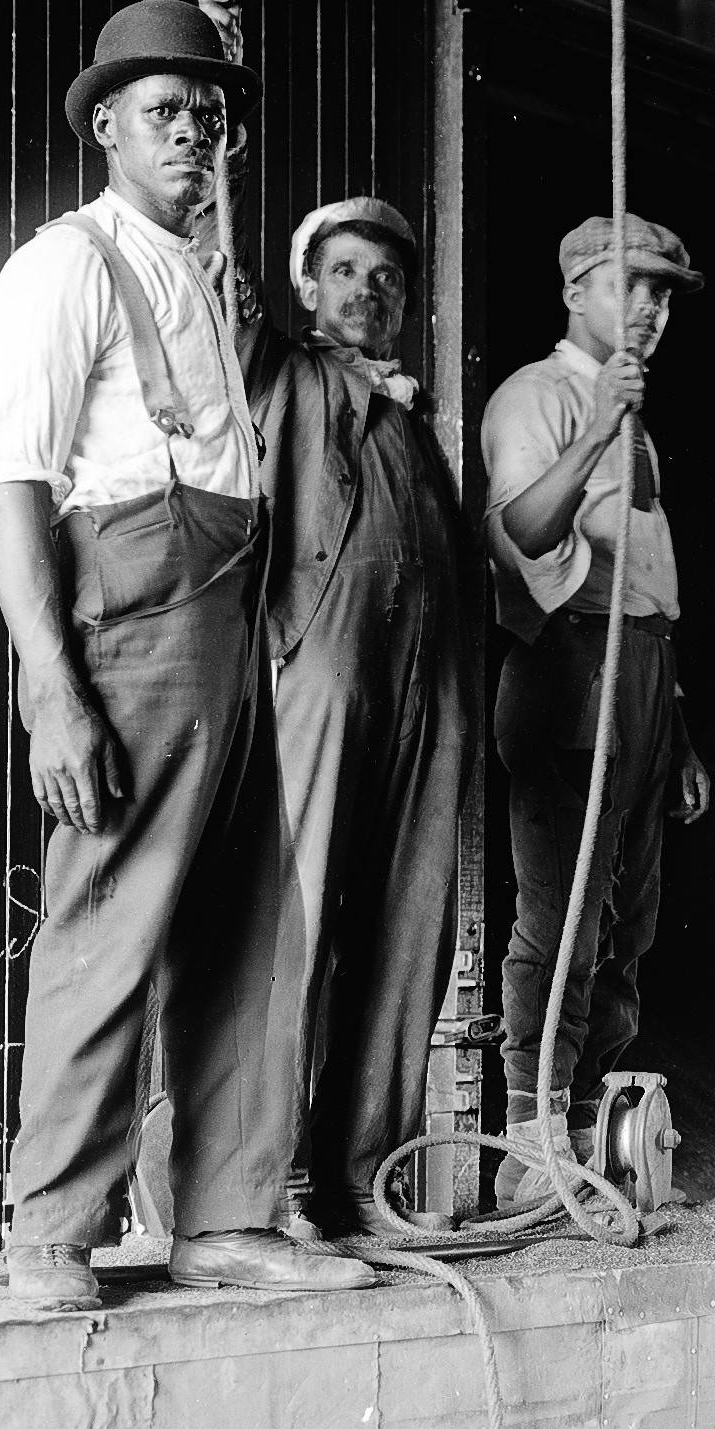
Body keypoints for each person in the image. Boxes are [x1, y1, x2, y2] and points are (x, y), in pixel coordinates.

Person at [0, 0, 372, 1304]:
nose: (194, 134)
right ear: (103, 128)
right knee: (109, 922)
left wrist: (220, 39)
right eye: (163, 113)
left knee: (256, 922)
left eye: (210, 113)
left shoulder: (196, 278)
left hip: (228, 627)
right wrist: (50, 691)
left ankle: (226, 1218)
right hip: (131, 633)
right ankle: (52, 1233)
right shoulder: (63, 267)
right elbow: (9, 484)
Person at [225, 194, 468, 1237]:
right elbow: (218, 294)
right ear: (304, 286)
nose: (367, 291)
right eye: (345, 271)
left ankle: (364, 1176)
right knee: (302, 921)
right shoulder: (282, 369)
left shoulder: (411, 415)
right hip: (322, 677)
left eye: (387, 277)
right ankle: (271, 1183)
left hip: (427, 694)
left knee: (405, 929)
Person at [480, 214, 714, 1187]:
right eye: (633, 287)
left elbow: (647, 584)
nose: (653, 309)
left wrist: (683, 732)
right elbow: (522, 534)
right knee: (564, 916)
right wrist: (600, 426)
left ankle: (585, 1120)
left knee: (630, 924)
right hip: (569, 669)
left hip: (643, 677)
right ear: (575, 291)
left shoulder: (634, 412)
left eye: (664, 294)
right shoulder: (537, 397)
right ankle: (529, 1144)